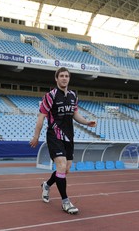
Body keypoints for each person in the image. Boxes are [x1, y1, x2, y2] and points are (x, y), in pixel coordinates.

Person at [30, 67, 96, 215]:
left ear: (69, 79)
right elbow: (41, 117)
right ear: (56, 78)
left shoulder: (73, 95)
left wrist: (86, 122)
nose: (64, 78)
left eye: (66, 76)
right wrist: (36, 136)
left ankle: (46, 185)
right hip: (54, 135)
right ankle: (65, 201)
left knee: (65, 169)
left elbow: (75, 114)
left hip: (69, 136)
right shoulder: (50, 96)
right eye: (61, 76)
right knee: (60, 164)